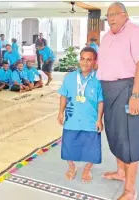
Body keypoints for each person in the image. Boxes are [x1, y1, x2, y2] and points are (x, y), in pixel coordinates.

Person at [97, 2, 139, 200]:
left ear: (125, 15)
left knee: (130, 140)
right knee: (116, 135)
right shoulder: (107, 36)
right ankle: (120, 172)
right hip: (109, 91)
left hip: (129, 90)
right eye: (107, 15)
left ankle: (130, 190)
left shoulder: (136, 32)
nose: (110, 18)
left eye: (114, 14)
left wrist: (135, 96)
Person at [57, 47, 104, 183]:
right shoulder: (70, 77)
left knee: (92, 148)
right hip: (72, 119)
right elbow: (63, 96)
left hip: (90, 121)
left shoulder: (98, 80)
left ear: (95, 62)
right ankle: (72, 167)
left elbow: (101, 101)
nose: (85, 63)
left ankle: (87, 169)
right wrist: (60, 112)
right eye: (82, 59)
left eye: (89, 60)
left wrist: (99, 119)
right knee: (68, 146)